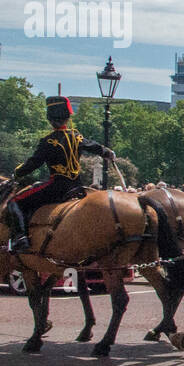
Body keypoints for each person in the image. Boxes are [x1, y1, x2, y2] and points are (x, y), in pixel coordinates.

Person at [7, 96, 113, 251]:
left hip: (56, 188)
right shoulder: (77, 137)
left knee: (14, 202)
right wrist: (107, 152)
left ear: (50, 120)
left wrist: (17, 173)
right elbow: (95, 146)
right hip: (77, 187)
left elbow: (33, 163)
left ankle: (20, 239)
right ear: (67, 117)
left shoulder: (48, 141)